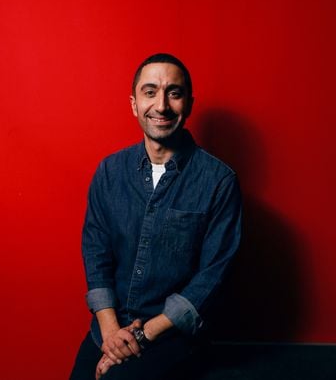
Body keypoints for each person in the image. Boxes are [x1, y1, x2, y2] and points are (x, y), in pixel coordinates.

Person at [69, 53, 242, 380]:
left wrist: (140, 336)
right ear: (134, 104)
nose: (161, 105)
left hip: (172, 335)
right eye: (150, 92)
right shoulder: (109, 172)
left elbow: (212, 278)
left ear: (189, 104)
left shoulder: (219, 182)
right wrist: (110, 333)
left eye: (173, 93)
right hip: (110, 327)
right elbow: (96, 254)